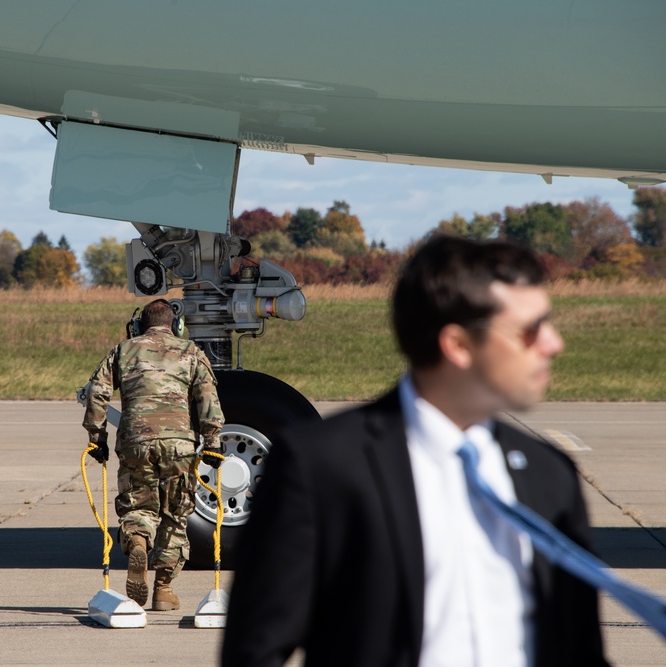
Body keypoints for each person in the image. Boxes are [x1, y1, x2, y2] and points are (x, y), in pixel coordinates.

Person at [221, 235, 610, 666]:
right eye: (531, 330)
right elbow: (254, 650)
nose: (554, 344)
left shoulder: (549, 475)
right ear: (458, 346)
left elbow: (581, 652)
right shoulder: (321, 467)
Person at [83, 298, 224, 611]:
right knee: (175, 513)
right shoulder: (191, 352)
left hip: (136, 441)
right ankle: (163, 589)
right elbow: (207, 399)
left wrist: (98, 437)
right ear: (176, 326)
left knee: (138, 505)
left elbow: (97, 392)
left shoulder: (123, 350)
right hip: (179, 444)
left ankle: (137, 542)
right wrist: (212, 442)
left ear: (139, 326)